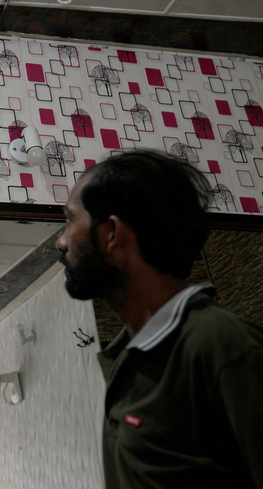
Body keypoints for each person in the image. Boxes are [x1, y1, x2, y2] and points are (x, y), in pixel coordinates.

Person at [56, 150, 263, 489]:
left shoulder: (224, 347)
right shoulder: (129, 360)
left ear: (112, 233)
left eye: (69, 220)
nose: (61, 242)